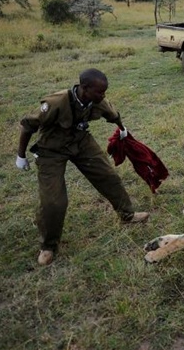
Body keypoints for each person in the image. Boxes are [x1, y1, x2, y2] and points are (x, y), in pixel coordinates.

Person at [16, 68, 150, 266]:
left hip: (80, 142)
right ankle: (48, 246)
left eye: (104, 92)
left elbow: (113, 115)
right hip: (51, 150)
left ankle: (127, 214)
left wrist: (122, 130)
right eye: (99, 92)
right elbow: (27, 125)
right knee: (54, 201)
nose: (103, 96)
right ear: (84, 88)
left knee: (108, 176)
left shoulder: (96, 100)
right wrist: (20, 155)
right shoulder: (55, 103)